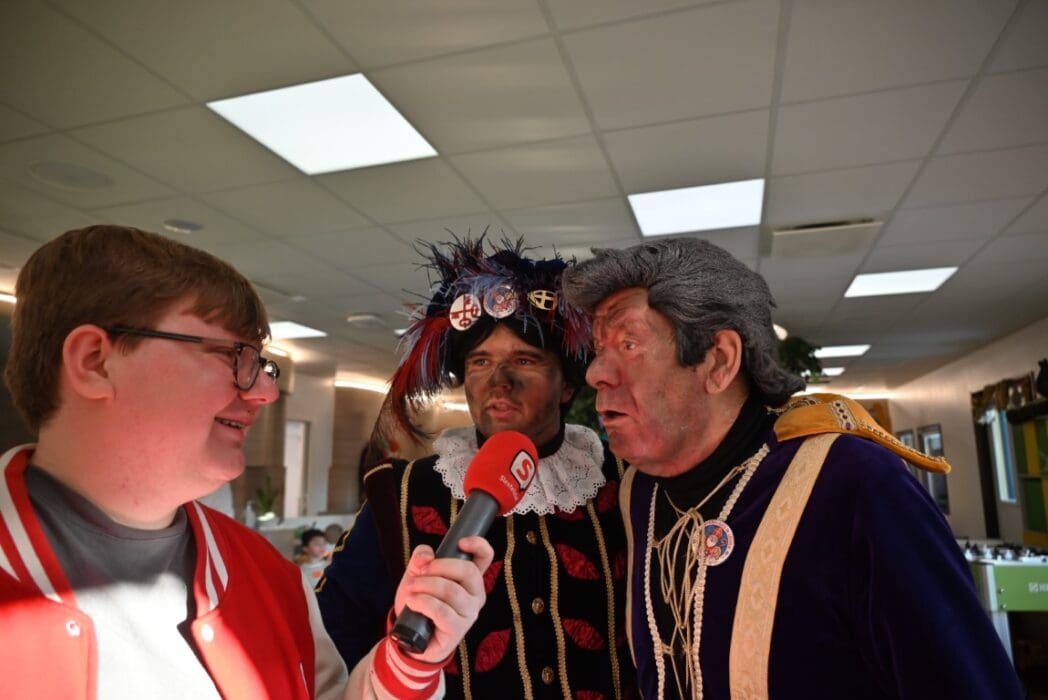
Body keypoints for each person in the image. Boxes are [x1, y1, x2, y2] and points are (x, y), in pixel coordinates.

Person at [0, 225, 492, 700]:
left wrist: (408, 664)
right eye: (233, 356)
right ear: (95, 361)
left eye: (261, 363)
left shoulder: (272, 576)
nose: (266, 391)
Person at [561, 238, 1023, 699]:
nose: (596, 372)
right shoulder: (638, 492)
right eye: (599, 349)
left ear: (718, 361)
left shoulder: (854, 482)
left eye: (629, 343)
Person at [317, 238, 635, 699]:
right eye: (480, 362)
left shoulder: (628, 480)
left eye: (524, 360)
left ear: (567, 384)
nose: (498, 382)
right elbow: (332, 638)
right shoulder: (400, 493)